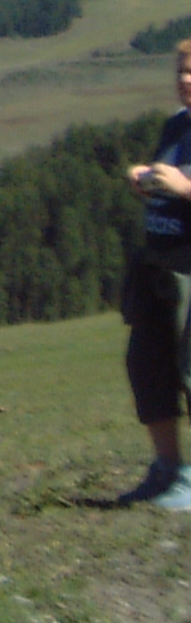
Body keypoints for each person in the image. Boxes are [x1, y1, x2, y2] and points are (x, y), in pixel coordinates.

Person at [121, 38, 191, 507]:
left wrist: (184, 187)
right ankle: (168, 469)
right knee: (148, 364)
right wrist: (145, 178)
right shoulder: (177, 124)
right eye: (180, 72)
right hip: (159, 262)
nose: (185, 80)